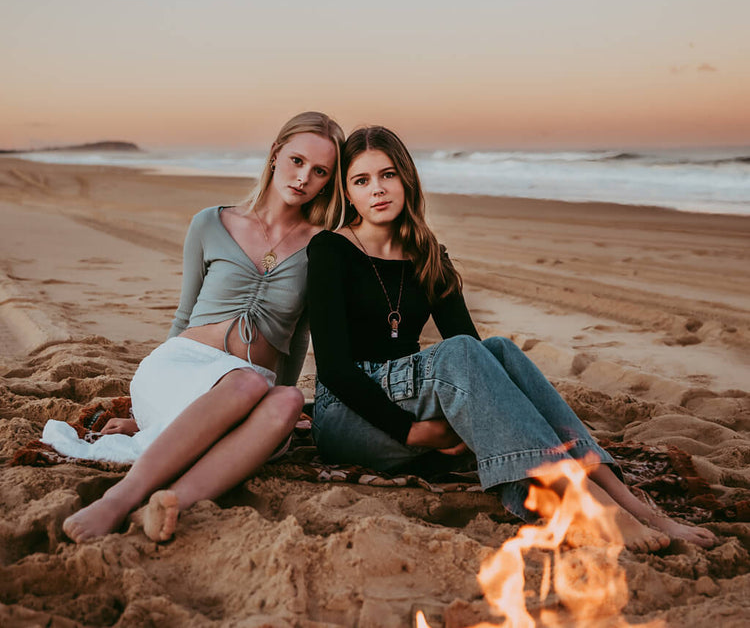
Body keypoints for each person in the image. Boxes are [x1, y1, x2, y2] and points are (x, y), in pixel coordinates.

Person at [306, 125, 717, 552]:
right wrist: (416, 433)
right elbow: (334, 370)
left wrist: (462, 418)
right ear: (348, 193)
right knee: (468, 353)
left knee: (496, 348)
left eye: (388, 175)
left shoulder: (429, 254)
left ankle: (633, 504)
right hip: (350, 416)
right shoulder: (331, 251)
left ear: (407, 179)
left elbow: (476, 357)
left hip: (416, 400)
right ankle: (589, 505)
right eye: (362, 180)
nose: (378, 189)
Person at [54, 111, 346, 544]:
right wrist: (143, 418)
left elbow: (299, 336)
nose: (304, 177)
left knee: (286, 401)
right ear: (274, 155)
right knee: (248, 385)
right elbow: (184, 313)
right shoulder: (211, 222)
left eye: (319, 171)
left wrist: (278, 407)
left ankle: (167, 504)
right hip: (183, 366)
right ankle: (119, 499)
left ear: (327, 181)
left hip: (249, 387)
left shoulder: (323, 246)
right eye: (297, 161)